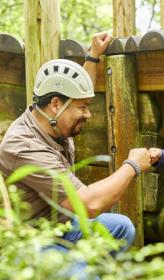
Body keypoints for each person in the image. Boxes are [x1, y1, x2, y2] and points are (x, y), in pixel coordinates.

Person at [0, 32, 151, 247]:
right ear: (55, 104)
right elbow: (88, 204)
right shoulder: (24, 146)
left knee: (121, 228)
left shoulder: (51, 121)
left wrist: (93, 56)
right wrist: (132, 166)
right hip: (33, 240)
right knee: (85, 279)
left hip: (62, 223)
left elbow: (79, 95)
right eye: (83, 108)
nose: (88, 114)